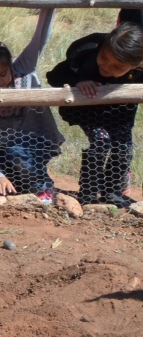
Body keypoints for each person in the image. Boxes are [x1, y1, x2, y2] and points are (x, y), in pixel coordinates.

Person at [0, 9, 60, 203]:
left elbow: (40, 39)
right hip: (4, 148)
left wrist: (50, 7)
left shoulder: (23, 69)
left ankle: (45, 190)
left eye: (3, 74)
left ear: (10, 64)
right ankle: (19, 185)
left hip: (38, 140)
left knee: (16, 154)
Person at [46, 22, 143, 208]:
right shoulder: (85, 54)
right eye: (104, 57)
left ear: (134, 66)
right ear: (103, 46)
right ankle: (88, 192)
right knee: (101, 141)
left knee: (123, 147)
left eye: (117, 67)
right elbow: (54, 76)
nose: (107, 67)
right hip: (89, 111)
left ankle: (112, 192)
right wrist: (77, 81)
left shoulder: (139, 70)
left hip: (121, 113)